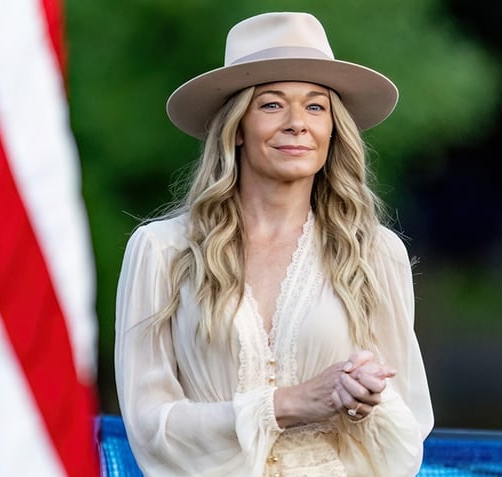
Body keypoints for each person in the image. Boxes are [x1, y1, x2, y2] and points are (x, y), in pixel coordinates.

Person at [114, 11, 434, 477]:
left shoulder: (375, 253)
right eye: (271, 105)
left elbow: (406, 430)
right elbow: (151, 427)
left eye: (315, 106)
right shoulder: (162, 251)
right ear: (236, 128)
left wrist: (365, 399)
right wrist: (286, 404)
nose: (296, 124)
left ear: (332, 130)